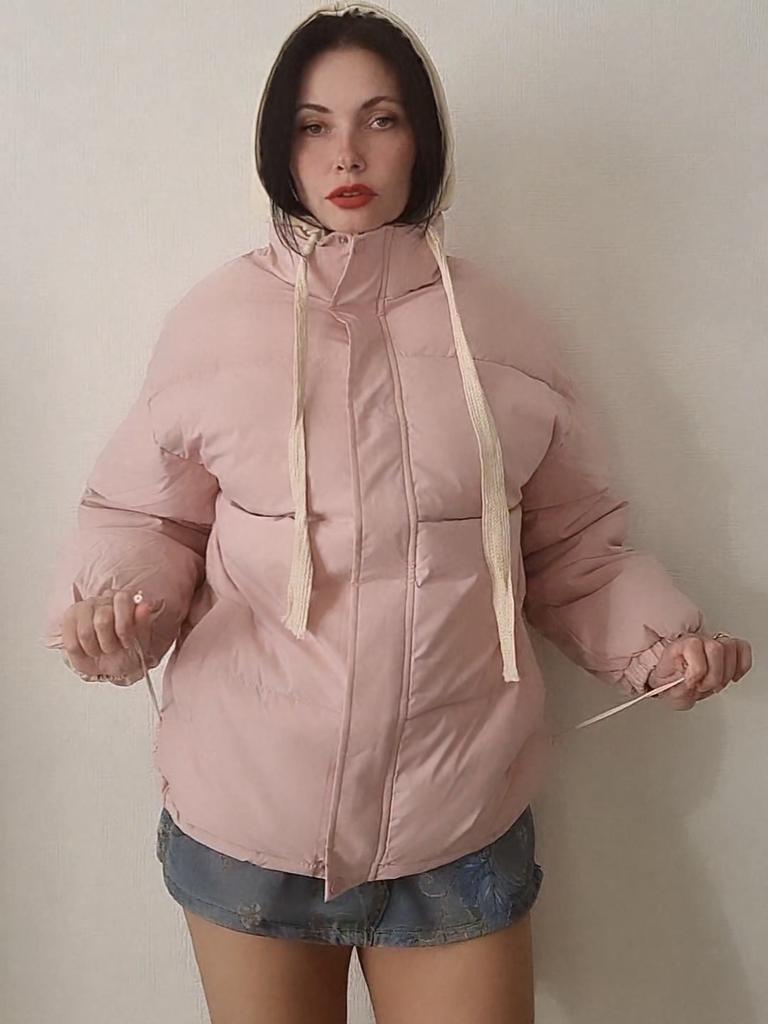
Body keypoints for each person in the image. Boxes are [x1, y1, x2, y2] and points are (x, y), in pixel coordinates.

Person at [40, 3, 753, 1021]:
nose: (347, 153)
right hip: (249, 822)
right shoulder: (215, 323)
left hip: (458, 824)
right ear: (279, 148)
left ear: (422, 138)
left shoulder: (503, 327)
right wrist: (119, 608)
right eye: (313, 125)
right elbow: (146, 520)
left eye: (380, 119)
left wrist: (662, 644)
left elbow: (571, 547)